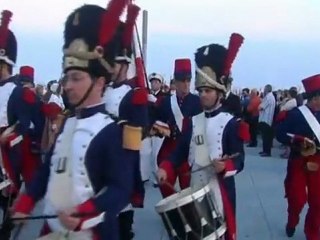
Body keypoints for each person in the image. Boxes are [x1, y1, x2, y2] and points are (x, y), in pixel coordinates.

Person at [12, 2, 137, 240]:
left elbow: (121, 189)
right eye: (67, 77)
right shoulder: (66, 124)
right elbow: (47, 171)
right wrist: (26, 202)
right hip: (52, 231)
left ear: (99, 82)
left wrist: (85, 211)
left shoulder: (113, 131)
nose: (68, 85)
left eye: (76, 78)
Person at [191, 41, 245, 240]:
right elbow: (179, 152)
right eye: (201, 91)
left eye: (208, 91)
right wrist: (166, 167)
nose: (203, 95)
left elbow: (240, 160)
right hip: (195, 187)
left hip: (220, 191)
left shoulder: (230, 123)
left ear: (219, 93)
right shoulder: (193, 121)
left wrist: (225, 166)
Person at [103, 4, 147, 240]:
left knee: (121, 227)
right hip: (101, 165)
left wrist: (114, 128)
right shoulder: (102, 91)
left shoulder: (135, 94)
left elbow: (140, 132)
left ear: (124, 64)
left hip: (123, 164)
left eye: (114, 64)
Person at [276, 74, 320, 240]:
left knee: (318, 202)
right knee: (297, 199)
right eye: (317, 98)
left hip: (318, 162)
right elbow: (280, 133)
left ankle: (313, 233)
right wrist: (297, 139)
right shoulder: (296, 114)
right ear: (311, 98)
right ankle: (292, 220)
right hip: (298, 161)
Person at [155, 58, 202, 197]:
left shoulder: (197, 103)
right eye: (182, 81)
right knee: (165, 186)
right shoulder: (166, 102)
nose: (186, 84)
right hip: (169, 149)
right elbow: (156, 122)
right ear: (175, 81)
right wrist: (159, 129)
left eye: (188, 80)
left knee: (189, 191)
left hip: (189, 151)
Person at [258, 84, 276, 157]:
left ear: (267, 89)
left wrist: (259, 105)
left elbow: (261, 107)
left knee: (266, 137)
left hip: (266, 119)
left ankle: (267, 152)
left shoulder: (268, 97)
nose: (263, 90)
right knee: (265, 137)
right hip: (267, 119)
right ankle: (265, 150)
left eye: (264, 88)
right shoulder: (270, 97)